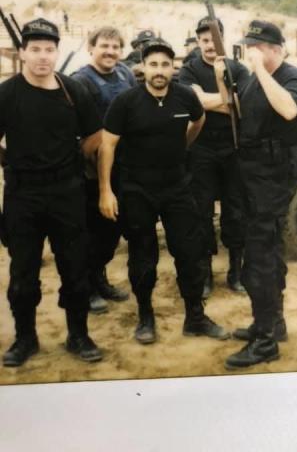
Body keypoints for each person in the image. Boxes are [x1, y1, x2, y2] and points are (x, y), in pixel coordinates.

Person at [98, 37, 229, 344]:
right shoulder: (126, 102)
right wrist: (106, 190)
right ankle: (145, 315)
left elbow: (198, 121)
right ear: (143, 67)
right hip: (136, 189)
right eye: (153, 64)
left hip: (177, 186)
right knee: (143, 256)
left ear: (173, 68)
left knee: (190, 252)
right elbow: (108, 145)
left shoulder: (185, 97)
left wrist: (182, 146)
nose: (159, 70)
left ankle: (195, 316)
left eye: (165, 65)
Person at [0, 18, 103, 367]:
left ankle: (79, 335)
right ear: (22, 53)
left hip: (67, 192)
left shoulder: (74, 91)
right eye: (35, 50)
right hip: (22, 195)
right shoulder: (6, 94)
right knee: (22, 275)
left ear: (57, 52)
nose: (43, 57)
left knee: (75, 269)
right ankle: (25, 338)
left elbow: (94, 135)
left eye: (49, 49)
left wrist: (71, 161)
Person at [223, 20, 297, 370]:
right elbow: (241, 111)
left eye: (257, 48)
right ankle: (271, 323)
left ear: (275, 49)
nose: (251, 53)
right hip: (252, 172)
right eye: (249, 47)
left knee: (261, 255)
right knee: (264, 251)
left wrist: (259, 69)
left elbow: (289, 110)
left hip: (274, 176)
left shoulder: (291, 77)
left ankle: (265, 343)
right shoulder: (253, 80)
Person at [178, 17, 250, 298]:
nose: (209, 45)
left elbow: (243, 107)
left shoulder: (238, 69)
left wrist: (219, 97)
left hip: (233, 147)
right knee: (202, 211)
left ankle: (236, 271)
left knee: (236, 209)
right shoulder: (189, 70)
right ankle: (205, 271)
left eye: (214, 38)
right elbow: (194, 103)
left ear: (223, 38)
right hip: (201, 149)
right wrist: (227, 98)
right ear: (198, 41)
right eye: (204, 39)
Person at [71, 26, 136, 314]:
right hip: (89, 170)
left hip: (122, 165)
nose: (110, 52)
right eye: (104, 46)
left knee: (112, 230)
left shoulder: (126, 74)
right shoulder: (79, 81)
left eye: (115, 47)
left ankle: (99, 278)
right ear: (91, 48)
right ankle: (85, 288)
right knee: (90, 230)